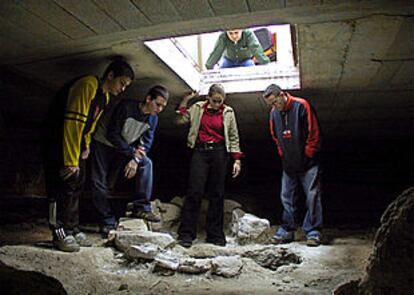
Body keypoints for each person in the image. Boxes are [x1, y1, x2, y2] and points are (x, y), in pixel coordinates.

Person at [42, 60, 134, 252]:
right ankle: (59, 232)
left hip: (76, 142)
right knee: (61, 187)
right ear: (110, 76)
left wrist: (86, 146)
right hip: (58, 140)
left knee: (78, 183)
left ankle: (72, 228)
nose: (123, 88)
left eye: (126, 86)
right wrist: (69, 160)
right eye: (122, 83)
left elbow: (88, 126)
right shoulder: (88, 85)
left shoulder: (105, 97)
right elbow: (73, 122)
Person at [91, 85, 169, 238]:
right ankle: (107, 221)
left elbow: (146, 143)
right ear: (148, 99)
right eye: (157, 104)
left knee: (146, 163)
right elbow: (112, 134)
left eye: (163, 106)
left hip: (125, 147)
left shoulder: (153, 119)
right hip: (103, 142)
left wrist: (135, 159)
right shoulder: (126, 107)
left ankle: (141, 207)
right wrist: (132, 153)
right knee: (98, 182)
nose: (159, 109)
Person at [176, 84, 243, 248]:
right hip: (200, 151)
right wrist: (185, 100)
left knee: (217, 193)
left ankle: (215, 235)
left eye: (221, 101)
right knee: (194, 191)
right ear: (208, 98)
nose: (218, 104)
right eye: (215, 101)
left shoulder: (228, 112)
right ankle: (186, 233)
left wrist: (237, 160)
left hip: (220, 152)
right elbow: (180, 119)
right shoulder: (198, 108)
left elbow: (234, 136)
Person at [262, 84, 323, 247]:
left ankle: (313, 231)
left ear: (282, 95)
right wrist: (284, 155)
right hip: (289, 163)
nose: (274, 107)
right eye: (270, 105)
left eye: (275, 102)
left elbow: (313, 133)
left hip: (308, 163)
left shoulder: (301, 105)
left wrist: (308, 154)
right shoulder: (274, 114)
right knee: (286, 197)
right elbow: (276, 137)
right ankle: (287, 230)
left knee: (312, 196)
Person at [205, 29, 270, 69]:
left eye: (236, 32)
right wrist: (209, 66)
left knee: (251, 68)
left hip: (245, 61)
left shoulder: (248, 34)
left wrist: (265, 63)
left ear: (241, 30)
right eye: (230, 33)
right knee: (221, 70)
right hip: (228, 61)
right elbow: (217, 52)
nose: (234, 36)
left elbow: (256, 49)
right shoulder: (223, 37)